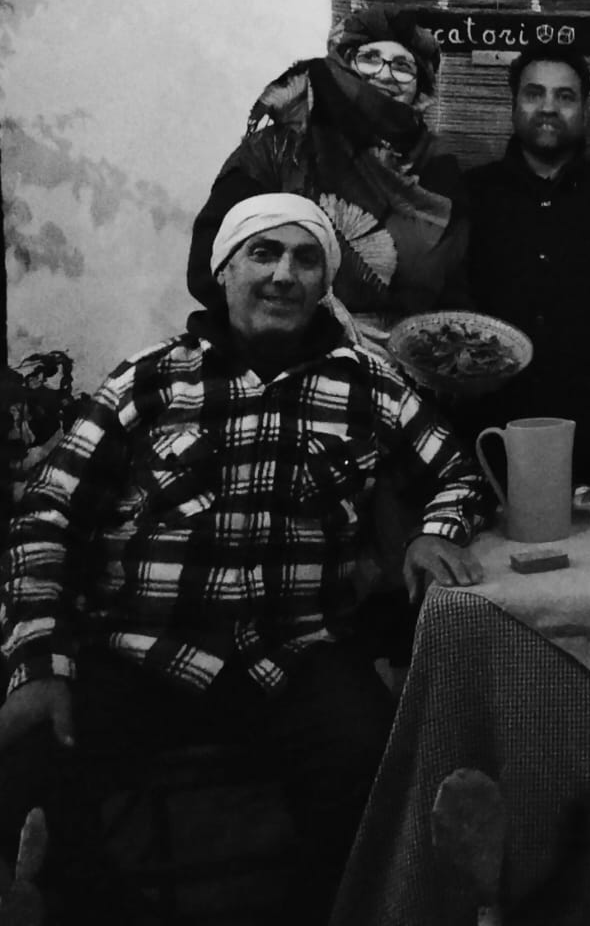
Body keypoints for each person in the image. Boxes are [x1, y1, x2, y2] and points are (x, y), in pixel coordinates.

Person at [0, 193, 493, 923]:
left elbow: (457, 474)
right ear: (224, 271)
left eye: (305, 259)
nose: (283, 275)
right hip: (144, 651)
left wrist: (435, 531)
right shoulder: (148, 379)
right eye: (263, 253)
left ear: (324, 283)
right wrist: (39, 659)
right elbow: (48, 511)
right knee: (30, 759)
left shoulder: (369, 383)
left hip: (297, 653)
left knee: (379, 760)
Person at [188, 6, 466, 345]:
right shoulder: (280, 150)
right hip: (285, 346)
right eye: (370, 58)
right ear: (343, 65)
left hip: (405, 353)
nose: (385, 74)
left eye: (403, 66)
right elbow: (210, 262)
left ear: (421, 86)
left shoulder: (437, 166)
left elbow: (455, 285)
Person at [459, 45, 590, 484]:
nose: (549, 107)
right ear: (514, 104)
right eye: (534, 93)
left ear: (585, 109)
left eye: (565, 96)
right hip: (487, 438)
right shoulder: (468, 198)